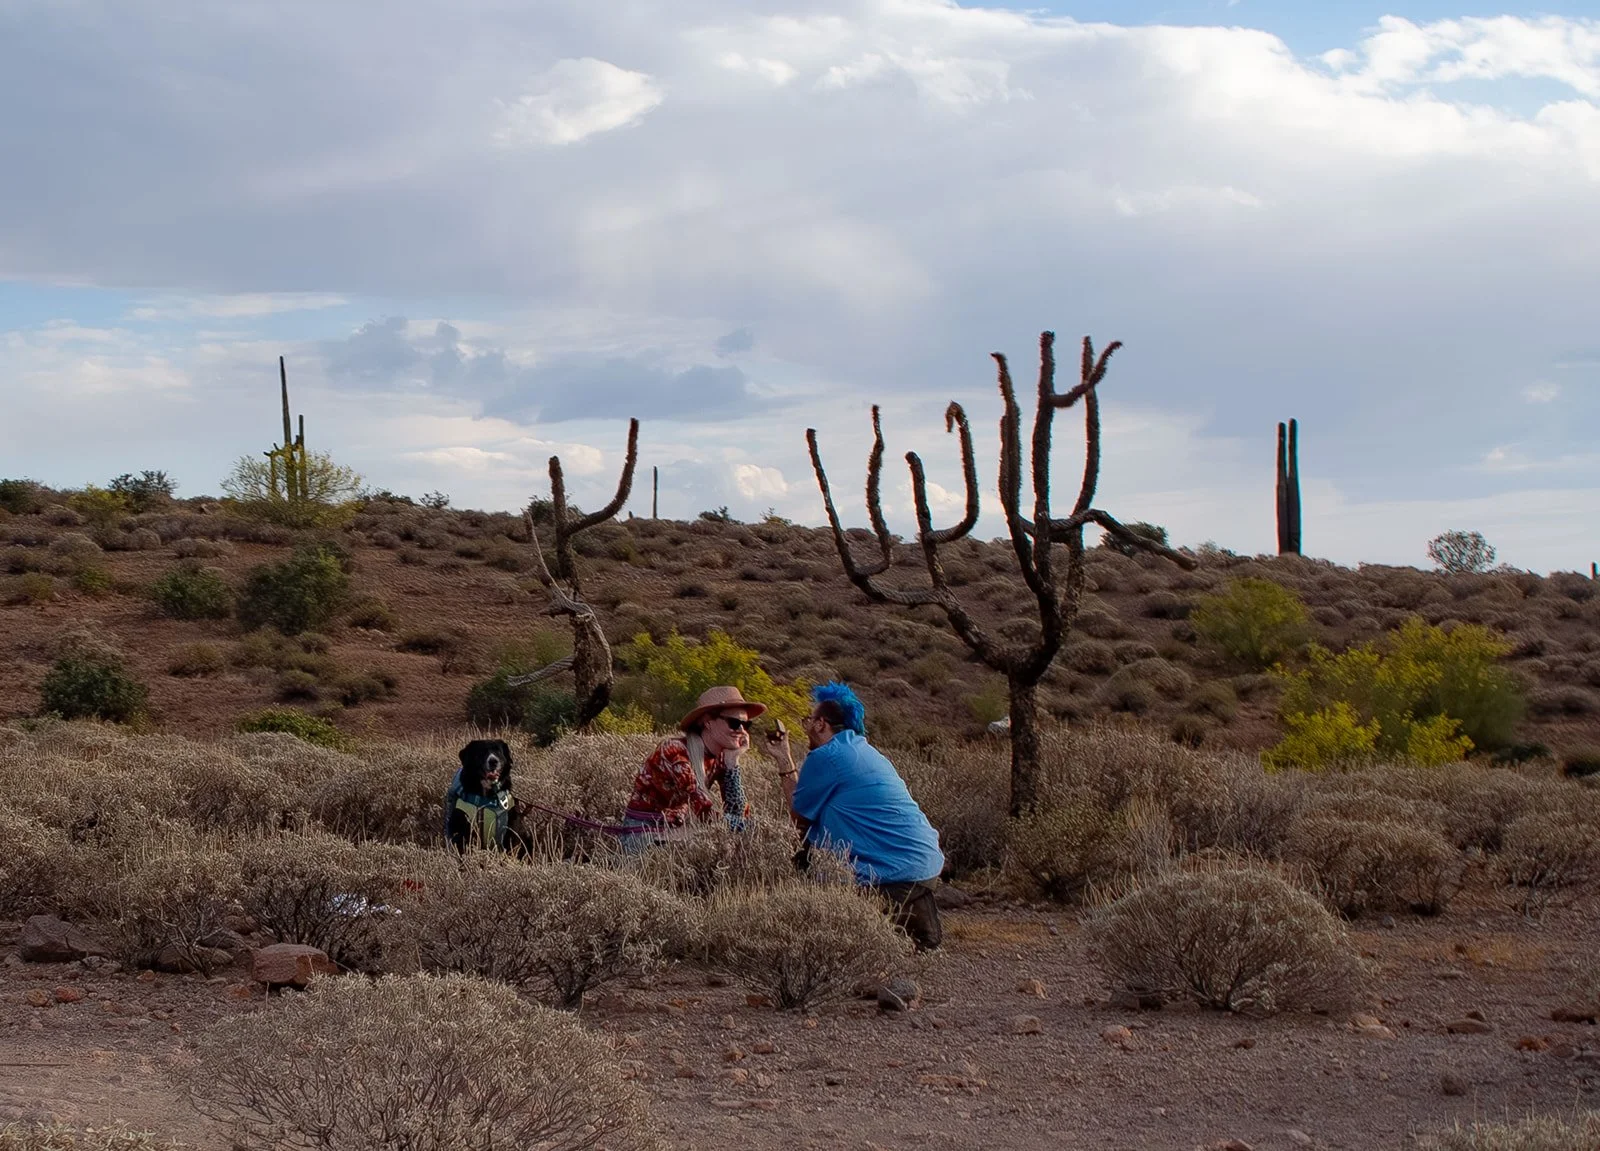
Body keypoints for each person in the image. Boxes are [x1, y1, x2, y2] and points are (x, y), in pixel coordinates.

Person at [769, 682, 946, 950]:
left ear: (820, 724)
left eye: (809, 721)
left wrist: (784, 761)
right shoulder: (868, 752)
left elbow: (799, 818)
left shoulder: (826, 756)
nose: (807, 727)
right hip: (923, 866)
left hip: (888, 876)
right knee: (917, 945)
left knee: (802, 852)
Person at [621, 685, 758, 846]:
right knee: (745, 829)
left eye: (746, 725)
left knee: (744, 832)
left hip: (677, 830)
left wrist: (733, 761)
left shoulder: (721, 757)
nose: (741, 730)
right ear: (708, 722)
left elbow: (738, 811)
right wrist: (745, 825)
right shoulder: (675, 750)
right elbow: (704, 813)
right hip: (643, 832)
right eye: (734, 723)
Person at [444, 738, 529, 854]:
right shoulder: (462, 805)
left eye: (497, 751)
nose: (492, 758)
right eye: (482, 753)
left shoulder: (507, 806)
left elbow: (517, 848)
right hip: (472, 861)